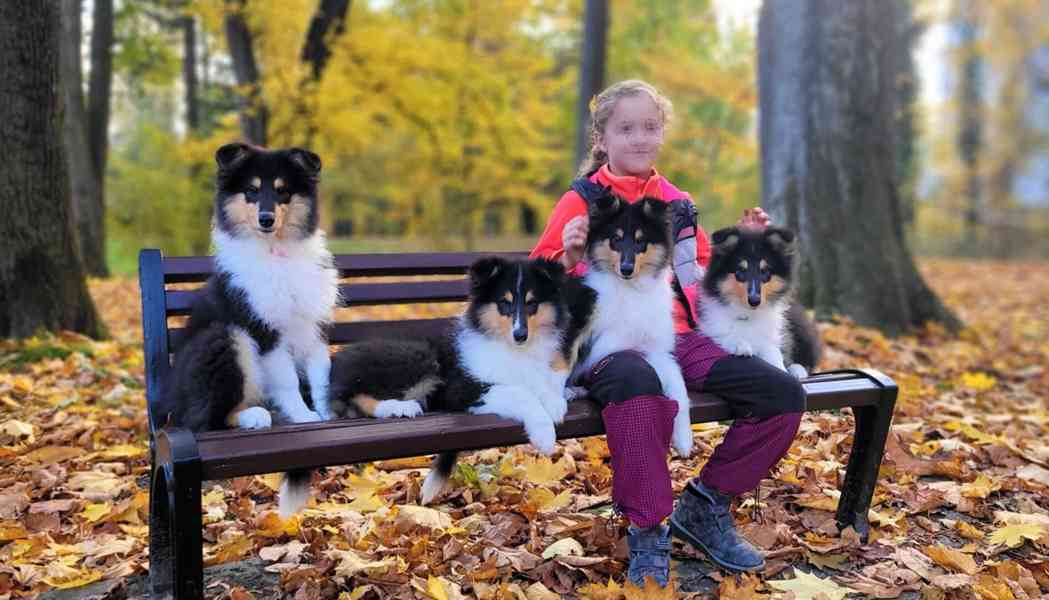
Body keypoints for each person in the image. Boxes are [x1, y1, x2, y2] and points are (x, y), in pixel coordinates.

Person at [530, 80, 805, 586]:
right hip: (609, 341)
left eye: (650, 127)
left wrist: (745, 242)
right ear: (602, 137)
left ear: (662, 133)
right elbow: (536, 276)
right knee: (638, 383)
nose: (640, 138)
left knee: (783, 393)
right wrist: (567, 256)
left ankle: (706, 504)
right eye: (626, 129)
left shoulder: (677, 202)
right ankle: (648, 525)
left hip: (682, 335)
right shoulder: (583, 200)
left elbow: (703, 271)